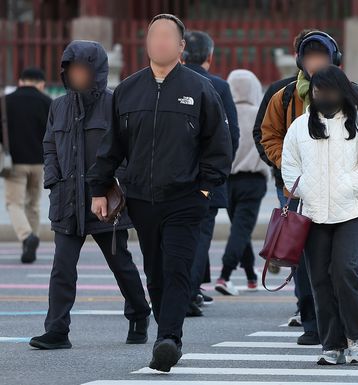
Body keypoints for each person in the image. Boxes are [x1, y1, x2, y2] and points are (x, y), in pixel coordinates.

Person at [87, 14, 232, 372]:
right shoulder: (127, 90)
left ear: (181, 46)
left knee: (178, 267)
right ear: (147, 43)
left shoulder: (200, 89)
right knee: (155, 270)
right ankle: (165, 333)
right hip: (141, 199)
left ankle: (169, 338)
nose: (160, 42)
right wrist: (99, 188)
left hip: (186, 198)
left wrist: (204, 188)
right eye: (154, 36)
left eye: (168, 36)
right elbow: (112, 147)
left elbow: (219, 145)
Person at [29, 40, 151, 350]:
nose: (77, 75)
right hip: (66, 200)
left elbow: (130, 151)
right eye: (71, 70)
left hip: (104, 202)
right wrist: (54, 179)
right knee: (62, 267)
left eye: (83, 69)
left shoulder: (114, 104)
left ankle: (139, 312)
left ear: (96, 72)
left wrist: (115, 186)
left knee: (120, 263)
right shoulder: (58, 106)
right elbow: (48, 145)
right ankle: (57, 330)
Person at [260, 29, 358, 346]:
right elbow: (270, 135)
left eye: (321, 56)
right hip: (303, 196)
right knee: (310, 269)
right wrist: (293, 172)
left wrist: (349, 181)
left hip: (349, 203)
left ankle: (354, 333)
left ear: (334, 60)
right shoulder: (284, 97)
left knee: (344, 269)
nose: (315, 62)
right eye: (310, 56)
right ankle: (315, 325)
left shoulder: (354, 94)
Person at [282, 65, 358, 365]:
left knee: (345, 271)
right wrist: (305, 191)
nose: (322, 96)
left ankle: (356, 336)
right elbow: (289, 168)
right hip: (313, 213)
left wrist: (345, 186)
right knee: (319, 279)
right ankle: (332, 342)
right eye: (317, 91)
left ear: (343, 92)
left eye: (328, 91)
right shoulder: (301, 127)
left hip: (352, 210)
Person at [252, 28, 314, 325]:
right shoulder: (283, 92)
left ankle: (325, 307)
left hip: (333, 187)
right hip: (290, 186)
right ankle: (305, 308)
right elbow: (263, 135)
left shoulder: (344, 89)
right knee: (297, 249)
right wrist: (283, 166)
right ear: (298, 56)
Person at [182, 30, 240, 311]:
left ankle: (190, 288)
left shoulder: (171, 82)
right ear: (210, 56)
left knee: (178, 234)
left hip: (175, 174)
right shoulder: (219, 85)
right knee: (200, 234)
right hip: (207, 176)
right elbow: (233, 135)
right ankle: (189, 291)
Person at [214, 69, 268, 295]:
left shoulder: (225, 113)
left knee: (239, 227)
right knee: (241, 228)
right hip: (253, 180)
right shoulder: (261, 114)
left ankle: (250, 275)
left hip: (228, 180)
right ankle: (225, 275)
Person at [1, 67, 51, 263]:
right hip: (40, 162)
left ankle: (26, 237)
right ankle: (30, 245)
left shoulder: (5, 102)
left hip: (13, 163)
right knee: (34, 204)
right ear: (41, 84)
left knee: (14, 203)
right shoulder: (47, 102)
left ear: (20, 81)